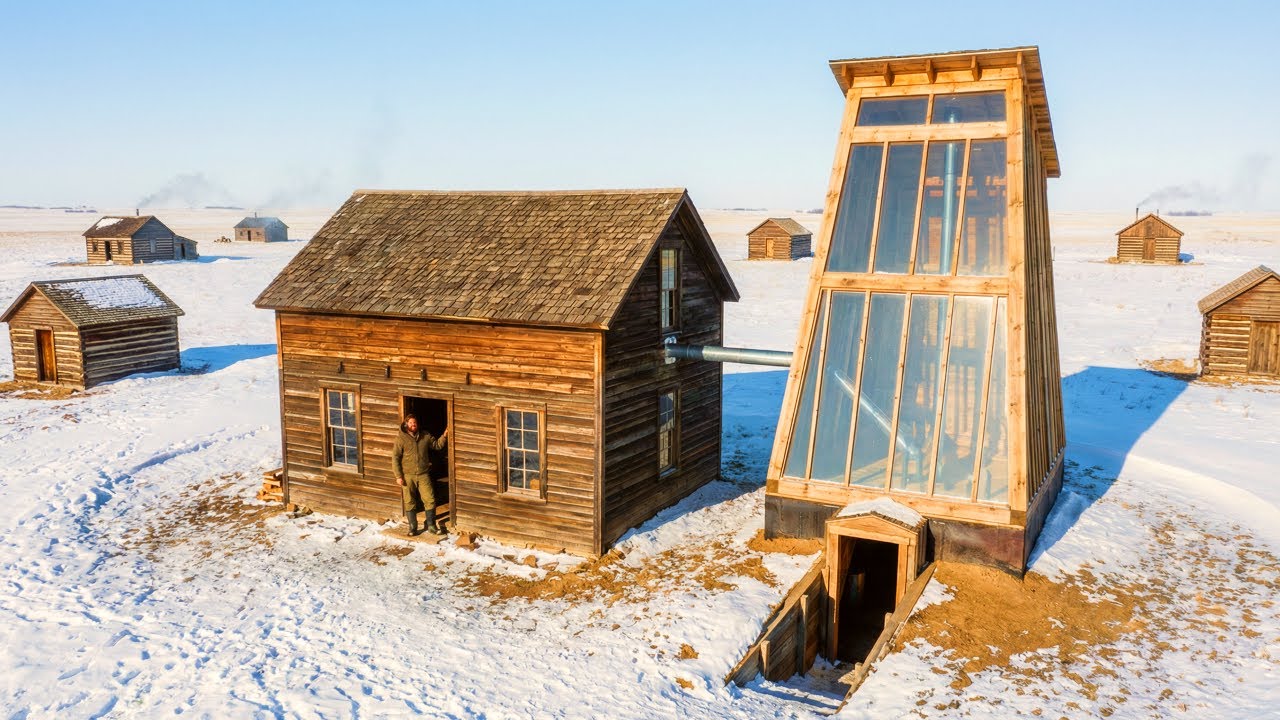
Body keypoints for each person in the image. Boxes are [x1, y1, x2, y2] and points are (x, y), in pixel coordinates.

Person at [392, 412, 449, 536]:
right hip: (407, 475)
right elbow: (395, 458)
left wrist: (444, 435)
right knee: (409, 501)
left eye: (415, 423)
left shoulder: (425, 436)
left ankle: (432, 526)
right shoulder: (400, 439)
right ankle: (413, 528)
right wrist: (398, 476)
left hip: (423, 474)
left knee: (430, 499)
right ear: (406, 424)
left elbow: (437, 445)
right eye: (411, 423)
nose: (413, 425)